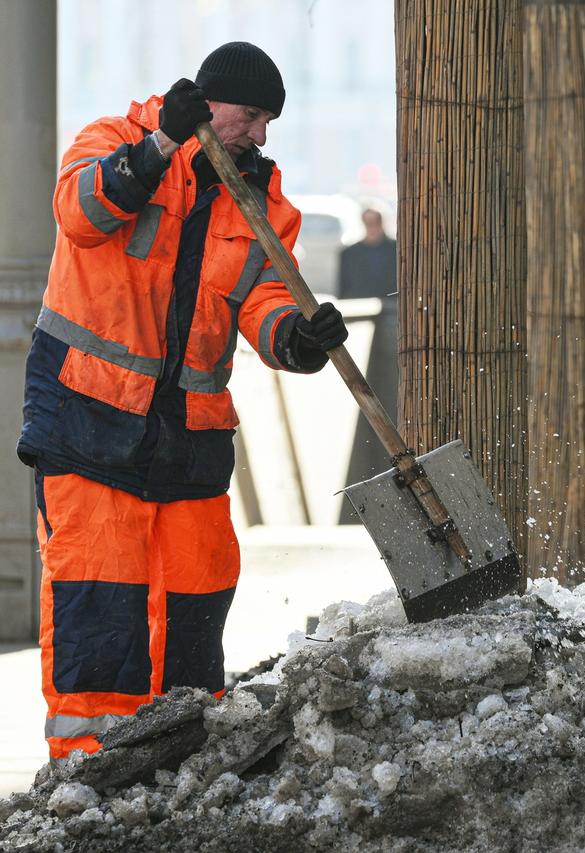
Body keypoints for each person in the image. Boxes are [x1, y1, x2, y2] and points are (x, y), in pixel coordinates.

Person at [17, 42, 350, 762]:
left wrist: (299, 336)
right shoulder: (117, 142)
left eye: (269, 122)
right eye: (254, 116)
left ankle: (186, 773)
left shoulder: (263, 206)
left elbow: (262, 303)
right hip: (86, 425)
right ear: (216, 102)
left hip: (190, 446)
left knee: (193, 620)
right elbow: (80, 213)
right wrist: (161, 145)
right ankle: (91, 781)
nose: (261, 135)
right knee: (99, 615)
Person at [337, 210, 400, 510]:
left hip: (389, 317)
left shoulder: (394, 249)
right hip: (363, 322)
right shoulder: (351, 254)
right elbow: (344, 289)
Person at [337, 209, 397, 299]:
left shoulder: (397, 250)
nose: (372, 227)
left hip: (391, 307)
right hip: (360, 306)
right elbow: (343, 287)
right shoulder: (349, 254)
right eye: (368, 223)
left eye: (375, 222)